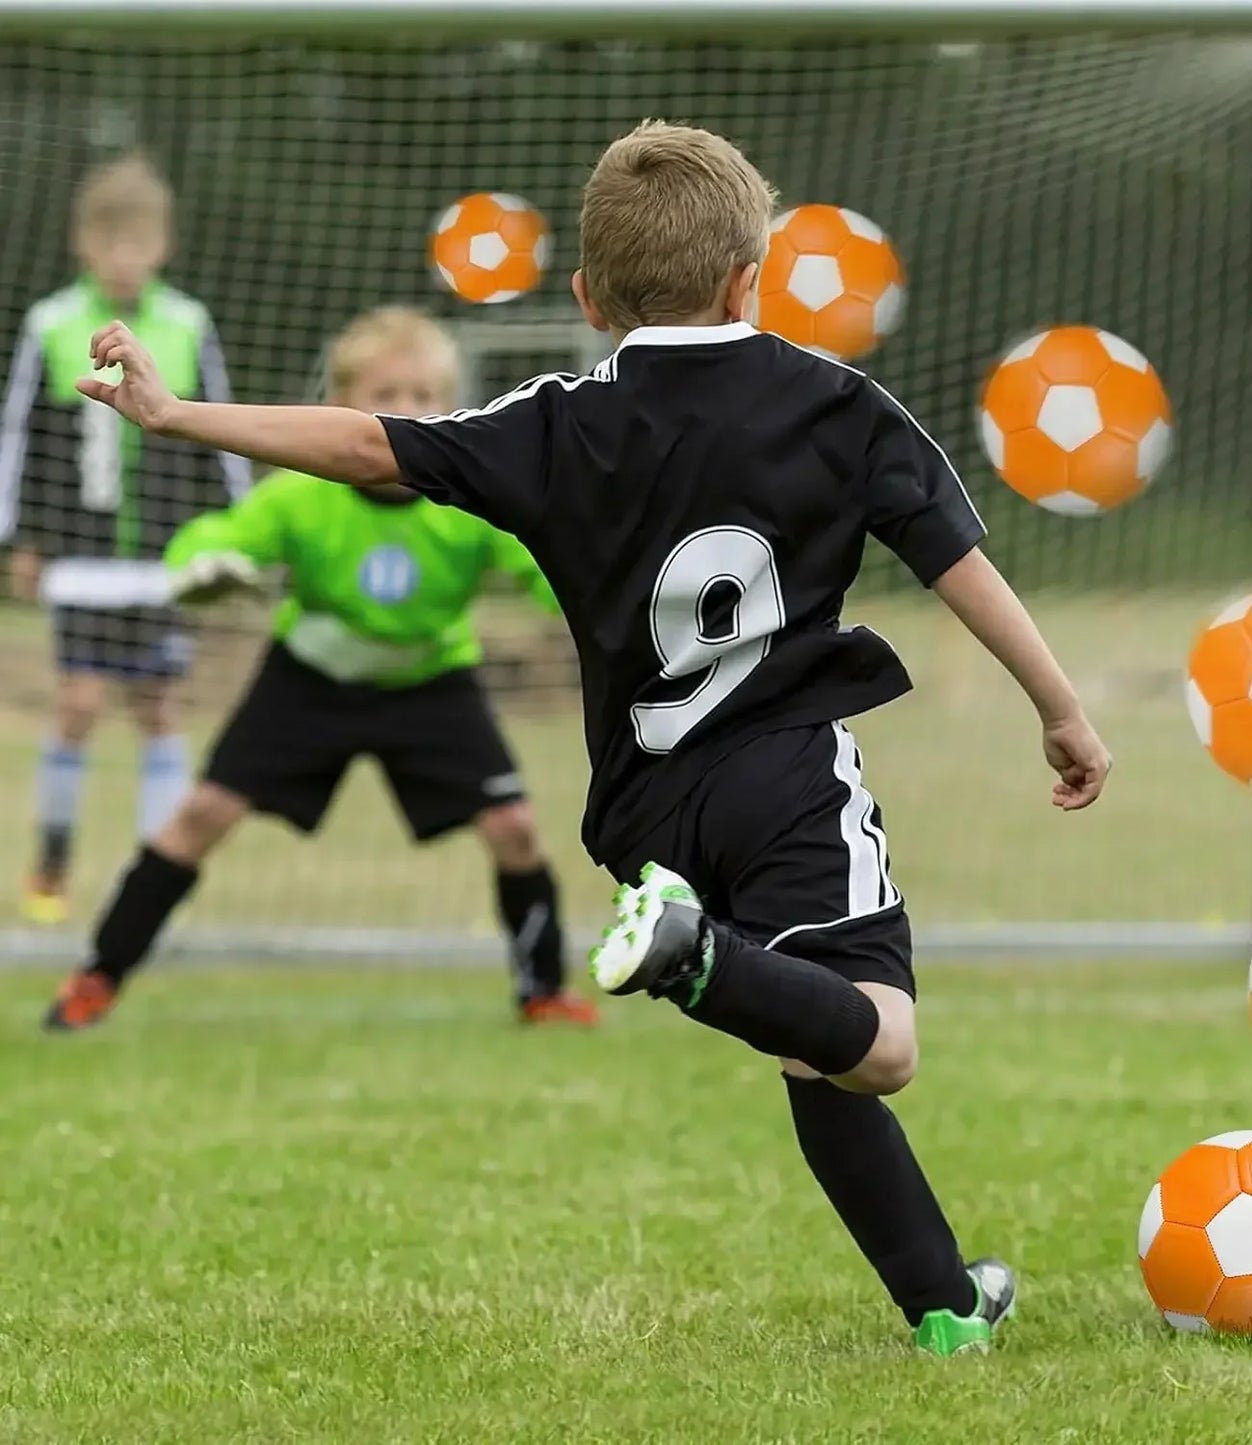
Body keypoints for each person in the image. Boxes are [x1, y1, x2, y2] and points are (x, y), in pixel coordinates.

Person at [72, 121, 1112, 1356]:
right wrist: (1058, 705)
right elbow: (957, 564)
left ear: (585, 296)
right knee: (875, 1041)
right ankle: (693, 956)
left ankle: (943, 1306)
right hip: (781, 778)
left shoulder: (559, 420)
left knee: (807, 1042)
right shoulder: (838, 406)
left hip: (642, 809)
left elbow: (364, 443)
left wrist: (177, 413)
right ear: (752, 276)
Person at [45, 306, 597, 1032]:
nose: (407, 411)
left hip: (430, 682)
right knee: (200, 816)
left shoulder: (471, 499)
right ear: (342, 404)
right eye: (386, 394)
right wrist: (203, 568)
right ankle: (95, 979)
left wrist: (597, 594)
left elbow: (551, 569)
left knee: (515, 827)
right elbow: (208, 541)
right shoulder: (301, 492)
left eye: (424, 395)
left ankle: (542, 993)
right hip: (309, 678)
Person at [0, 152, 251, 925]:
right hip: (79, 554)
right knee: (76, 703)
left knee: (158, 707)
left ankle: (155, 879)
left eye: (137, 240)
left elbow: (223, 426)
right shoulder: (50, 322)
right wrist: (20, 538)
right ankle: (50, 862)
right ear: (83, 242)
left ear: (162, 244)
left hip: (163, 559)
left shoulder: (186, 322)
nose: (123, 255)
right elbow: (20, 435)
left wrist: (233, 533)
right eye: (109, 240)